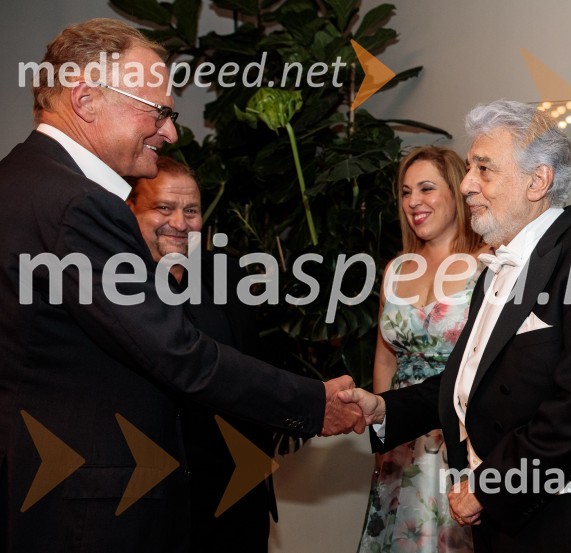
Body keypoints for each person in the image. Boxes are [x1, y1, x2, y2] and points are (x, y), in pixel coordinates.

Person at [0, 18, 361, 553]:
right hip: (89, 507)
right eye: (159, 111)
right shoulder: (78, 205)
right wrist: (311, 402)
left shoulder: (18, 182)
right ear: (86, 99)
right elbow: (174, 351)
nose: (169, 132)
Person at [341, 99, 571, 553]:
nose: (467, 184)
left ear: (538, 181)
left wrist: (489, 486)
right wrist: (387, 409)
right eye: (470, 168)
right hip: (503, 519)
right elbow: (474, 379)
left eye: (483, 169)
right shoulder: (493, 269)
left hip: (566, 521)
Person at [128, 157, 274, 552]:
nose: (180, 222)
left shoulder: (228, 274)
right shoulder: (113, 286)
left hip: (237, 499)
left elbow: (256, 372)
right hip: (150, 504)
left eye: (190, 210)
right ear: (129, 211)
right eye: (163, 208)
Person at [357, 146, 484, 553]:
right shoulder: (396, 269)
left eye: (426, 188)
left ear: (457, 191)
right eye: (406, 192)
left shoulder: (489, 264)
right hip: (401, 438)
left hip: (461, 433)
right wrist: (384, 437)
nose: (414, 201)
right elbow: (385, 358)